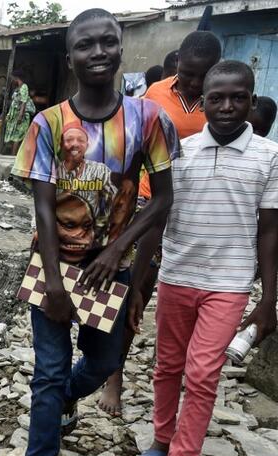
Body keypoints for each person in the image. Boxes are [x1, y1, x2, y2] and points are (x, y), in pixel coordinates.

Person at [7, 8, 179, 456]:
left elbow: (164, 199)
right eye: (86, 45)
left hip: (112, 271)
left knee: (103, 362)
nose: (98, 51)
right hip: (54, 266)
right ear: (71, 58)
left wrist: (118, 250)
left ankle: (62, 404)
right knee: (48, 372)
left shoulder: (149, 119)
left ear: (121, 50)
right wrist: (55, 283)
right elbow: (41, 207)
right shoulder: (49, 123)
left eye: (108, 42)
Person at [131, 60, 278, 456]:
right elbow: (156, 219)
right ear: (204, 101)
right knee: (168, 366)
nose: (227, 106)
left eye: (238, 98)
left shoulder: (269, 157)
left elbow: (271, 231)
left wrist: (268, 299)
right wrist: (139, 284)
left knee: (202, 375)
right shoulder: (180, 151)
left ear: (252, 102)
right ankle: (160, 441)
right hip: (177, 275)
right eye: (217, 98)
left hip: (229, 285)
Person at [98, 31, 222, 417]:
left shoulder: (221, 103)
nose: (190, 84)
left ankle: (180, 378)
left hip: (194, 211)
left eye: (199, 77)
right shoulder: (155, 94)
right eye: (184, 74)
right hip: (150, 205)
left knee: (162, 295)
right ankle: (112, 374)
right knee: (133, 286)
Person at [4, 71, 36, 156]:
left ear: (16, 78)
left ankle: (13, 156)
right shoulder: (18, 88)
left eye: (12, 79)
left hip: (21, 116)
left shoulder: (24, 87)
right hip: (15, 115)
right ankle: (13, 155)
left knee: (17, 137)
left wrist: (20, 116)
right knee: (14, 136)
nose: (11, 81)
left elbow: (24, 102)